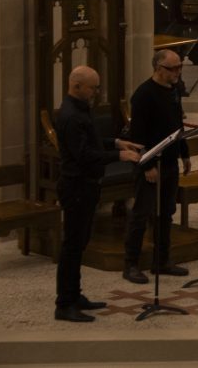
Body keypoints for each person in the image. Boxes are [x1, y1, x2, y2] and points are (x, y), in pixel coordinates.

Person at [54, 66, 141, 322]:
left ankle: (74, 294)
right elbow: (84, 156)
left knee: (79, 244)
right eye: (93, 87)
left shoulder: (80, 109)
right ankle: (64, 304)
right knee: (72, 246)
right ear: (77, 86)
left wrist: (115, 142)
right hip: (76, 186)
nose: (96, 92)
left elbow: (90, 142)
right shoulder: (70, 116)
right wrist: (119, 156)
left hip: (87, 185)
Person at [122, 49, 192, 284]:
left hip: (170, 162)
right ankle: (130, 264)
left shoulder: (174, 90)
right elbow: (137, 135)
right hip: (150, 164)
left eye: (179, 67)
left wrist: (185, 154)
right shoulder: (143, 95)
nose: (178, 72)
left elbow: (177, 125)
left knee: (166, 213)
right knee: (142, 214)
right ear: (158, 69)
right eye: (173, 68)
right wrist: (147, 165)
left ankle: (161, 261)